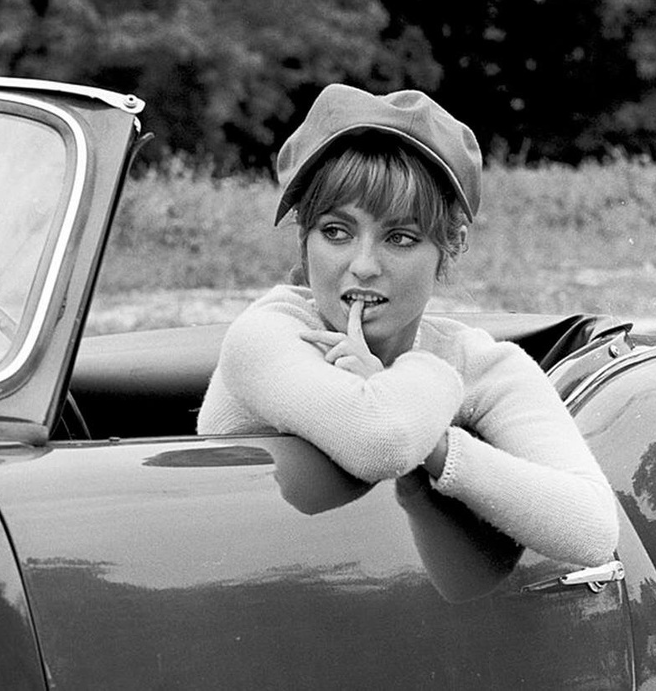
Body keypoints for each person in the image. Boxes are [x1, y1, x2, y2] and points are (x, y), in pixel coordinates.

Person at [197, 83, 619, 567]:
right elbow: (381, 441)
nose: (363, 265)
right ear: (304, 239)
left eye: (399, 237)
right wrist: (431, 383)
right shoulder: (269, 332)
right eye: (336, 231)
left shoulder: (475, 360)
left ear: (450, 246)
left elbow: (592, 529)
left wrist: (439, 446)